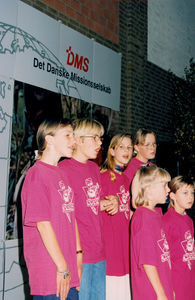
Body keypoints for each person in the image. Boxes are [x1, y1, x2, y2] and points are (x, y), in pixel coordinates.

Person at [21, 118, 82, 300]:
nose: (74, 141)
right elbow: (43, 225)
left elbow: (71, 217)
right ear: (49, 139)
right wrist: (62, 266)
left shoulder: (62, 173)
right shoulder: (37, 174)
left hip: (67, 268)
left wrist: (78, 255)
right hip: (51, 271)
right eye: (68, 135)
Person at [59, 118, 119, 300]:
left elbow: (90, 204)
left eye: (100, 138)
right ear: (77, 139)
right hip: (78, 254)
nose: (100, 143)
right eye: (94, 137)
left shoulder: (94, 168)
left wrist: (111, 201)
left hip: (99, 251)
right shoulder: (63, 169)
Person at [130, 164, 174, 300]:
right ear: (148, 190)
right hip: (151, 292)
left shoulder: (154, 214)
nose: (168, 189)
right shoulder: (143, 218)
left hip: (162, 285)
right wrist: (161, 294)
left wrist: (169, 288)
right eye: (164, 185)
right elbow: (148, 262)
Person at [100, 134, 133, 300]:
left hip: (125, 247)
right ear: (112, 151)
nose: (127, 151)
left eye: (129, 147)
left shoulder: (127, 179)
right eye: (122, 147)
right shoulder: (102, 177)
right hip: (111, 250)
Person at [162, 176, 195, 300]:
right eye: (185, 193)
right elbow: (164, 260)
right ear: (172, 195)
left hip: (190, 280)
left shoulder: (189, 220)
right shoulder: (166, 221)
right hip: (176, 281)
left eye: (192, 193)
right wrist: (169, 288)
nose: (190, 197)